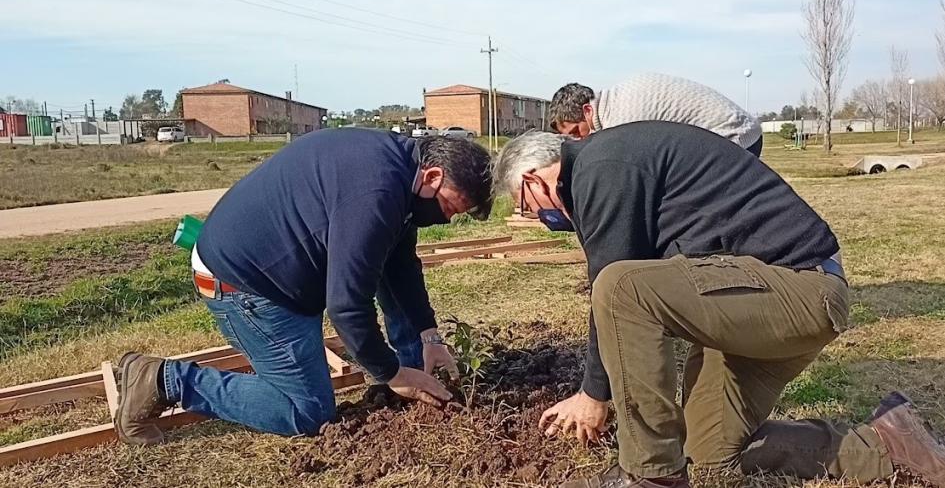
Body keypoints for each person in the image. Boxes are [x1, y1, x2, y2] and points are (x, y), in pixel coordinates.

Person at [492, 128, 945, 488]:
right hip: (757, 300)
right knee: (706, 452)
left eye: (528, 208)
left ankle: (651, 475)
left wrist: (594, 395)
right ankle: (887, 444)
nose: (540, 219)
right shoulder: (609, 165)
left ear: (534, 179)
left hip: (802, 289)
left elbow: (614, 288)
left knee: (619, 285)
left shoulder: (600, 167)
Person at [112, 128, 493, 445]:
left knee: (393, 269)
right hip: (246, 286)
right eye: (449, 208)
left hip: (274, 270)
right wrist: (390, 373)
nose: (445, 219)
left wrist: (429, 336)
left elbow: (400, 264)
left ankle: (415, 375)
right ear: (432, 177)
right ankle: (163, 380)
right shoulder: (376, 193)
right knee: (306, 411)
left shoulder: (398, 168)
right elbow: (346, 306)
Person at [548, 73, 764, 156]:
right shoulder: (617, 99)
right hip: (738, 131)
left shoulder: (619, 121)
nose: (579, 139)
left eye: (576, 131)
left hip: (734, 136)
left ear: (587, 110)